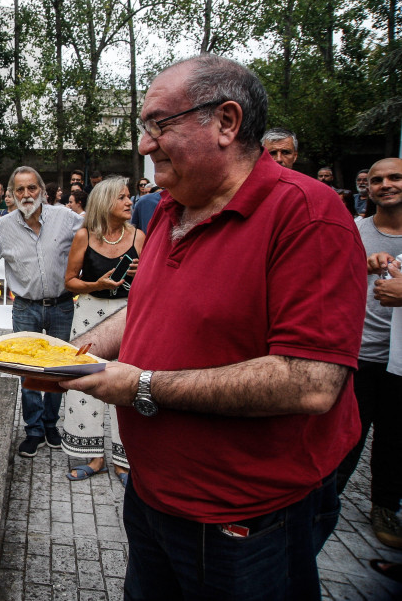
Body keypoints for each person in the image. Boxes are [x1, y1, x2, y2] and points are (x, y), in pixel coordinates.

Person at [58, 54, 366, 599]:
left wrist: (142, 386)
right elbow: (147, 309)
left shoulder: (305, 214)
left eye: (159, 124)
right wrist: (72, 353)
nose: (144, 145)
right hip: (153, 498)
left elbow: (311, 381)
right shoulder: (170, 210)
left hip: (245, 517)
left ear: (227, 122)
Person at [0, 166, 82, 457]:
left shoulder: (66, 218)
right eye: (20, 190)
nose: (27, 195)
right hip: (25, 308)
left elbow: (96, 231)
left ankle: (51, 425)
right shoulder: (4, 226)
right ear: (12, 195)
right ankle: (34, 430)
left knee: (57, 369)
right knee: (27, 370)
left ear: (42, 191)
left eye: (32, 188)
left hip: (62, 306)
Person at [61, 177, 145, 485]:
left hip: (128, 316)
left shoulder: (139, 236)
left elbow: (153, 284)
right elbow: (69, 281)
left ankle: (124, 461)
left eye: (128, 196)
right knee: (87, 380)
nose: (128, 201)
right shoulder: (84, 236)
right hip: (88, 316)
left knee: (126, 383)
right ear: (104, 202)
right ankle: (95, 458)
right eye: (121, 197)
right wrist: (98, 283)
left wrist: (142, 274)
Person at [349, 158, 402, 549]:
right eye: (378, 179)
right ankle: (324, 495)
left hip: (400, 361)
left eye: (395, 177)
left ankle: (384, 505)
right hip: (361, 350)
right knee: (349, 429)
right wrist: (361, 268)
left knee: (395, 437)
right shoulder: (355, 230)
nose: (385, 184)